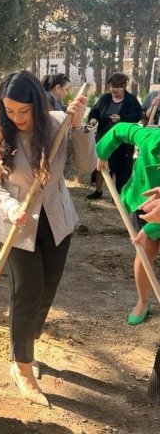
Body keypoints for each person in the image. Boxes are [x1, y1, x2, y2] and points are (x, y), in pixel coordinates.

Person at [0, 70, 95, 406]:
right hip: (18, 225)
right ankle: (22, 365)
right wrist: (10, 205)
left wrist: (78, 127)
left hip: (57, 220)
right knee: (27, 291)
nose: (16, 118)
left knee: (47, 290)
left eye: (23, 111)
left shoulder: (59, 122)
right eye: (10, 111)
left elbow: (87, 167)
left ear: (37, 103)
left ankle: (27, 341)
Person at [96, 123, 160, 325]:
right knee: (144, 251)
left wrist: (152, 228)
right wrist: (103, 154)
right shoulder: (149, 137)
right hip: (144, 199)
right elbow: (119, 130)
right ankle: (143, 301)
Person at [87, 72, 141, 199]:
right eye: (110, 86)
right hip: (104, 138)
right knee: (100, 164)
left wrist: (121, 119)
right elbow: (95, 110)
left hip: (123, 143)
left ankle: (117, 195)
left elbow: (137, 116)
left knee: (120, 169)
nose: (112, 89)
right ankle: (98, 190)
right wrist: (93, 119)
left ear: (123, 86)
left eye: (116, 87)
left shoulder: (131, 100)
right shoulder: (105, 98)